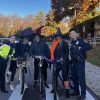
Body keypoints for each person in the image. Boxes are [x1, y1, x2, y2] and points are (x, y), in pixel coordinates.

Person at [69, 30, 92, 100]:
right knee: (74, 77)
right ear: (70, 35)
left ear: (76, 34)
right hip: (74, 62)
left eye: (73, 33)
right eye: (71, 34)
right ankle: (76, 91)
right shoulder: (72, 42)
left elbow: (89, 46)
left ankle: (83, 95)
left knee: (81, 79)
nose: (72, 34)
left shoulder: (81, 41)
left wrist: (81, 48)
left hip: (80, 63)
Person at [51, 28, 70, 98]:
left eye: (59, 36)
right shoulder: (54, 43)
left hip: (64, 61)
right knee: (54, 74)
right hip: (57, 61)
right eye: (57, 36)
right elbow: (53, 53)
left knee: (64, 75)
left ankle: (67, 91)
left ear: (61, 36)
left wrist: (63, 58)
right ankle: (54, 88)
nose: (58, 37)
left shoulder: (64, 43)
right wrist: (52, 59)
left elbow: (67, 53)